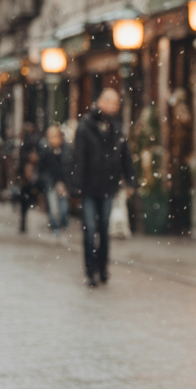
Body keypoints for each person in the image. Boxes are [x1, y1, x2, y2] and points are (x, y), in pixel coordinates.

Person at [71, 89, 134, 287]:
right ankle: (91, 270)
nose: (113, 107)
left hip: (109, 185)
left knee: (104, 229)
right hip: (89, 187)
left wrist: (131, 180)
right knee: (90, 229)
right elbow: (78, 159)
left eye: (116, 104)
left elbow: (125, 155)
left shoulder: (117, 127)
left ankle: (103, 267)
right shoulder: (85, 127)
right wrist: (76, 187)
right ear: (100, 102)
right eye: (110, 103)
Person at [39, 124, 71, 236]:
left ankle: (63, 224)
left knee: (63, 208)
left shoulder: (66, 149)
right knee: (53, 208)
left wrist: (63, 182)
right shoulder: (46, 150)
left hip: (63, 183)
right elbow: (42, 168)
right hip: (51, 183)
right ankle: (55, 227)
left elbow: (68, 166)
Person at [16, 121, 41, 233]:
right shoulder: (35, 141)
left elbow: (21, 160)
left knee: (24, 200)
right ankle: (23, 221)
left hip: (25, 175)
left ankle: (23, 221)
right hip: (28, 174)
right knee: (28, 198)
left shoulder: (25, 143)